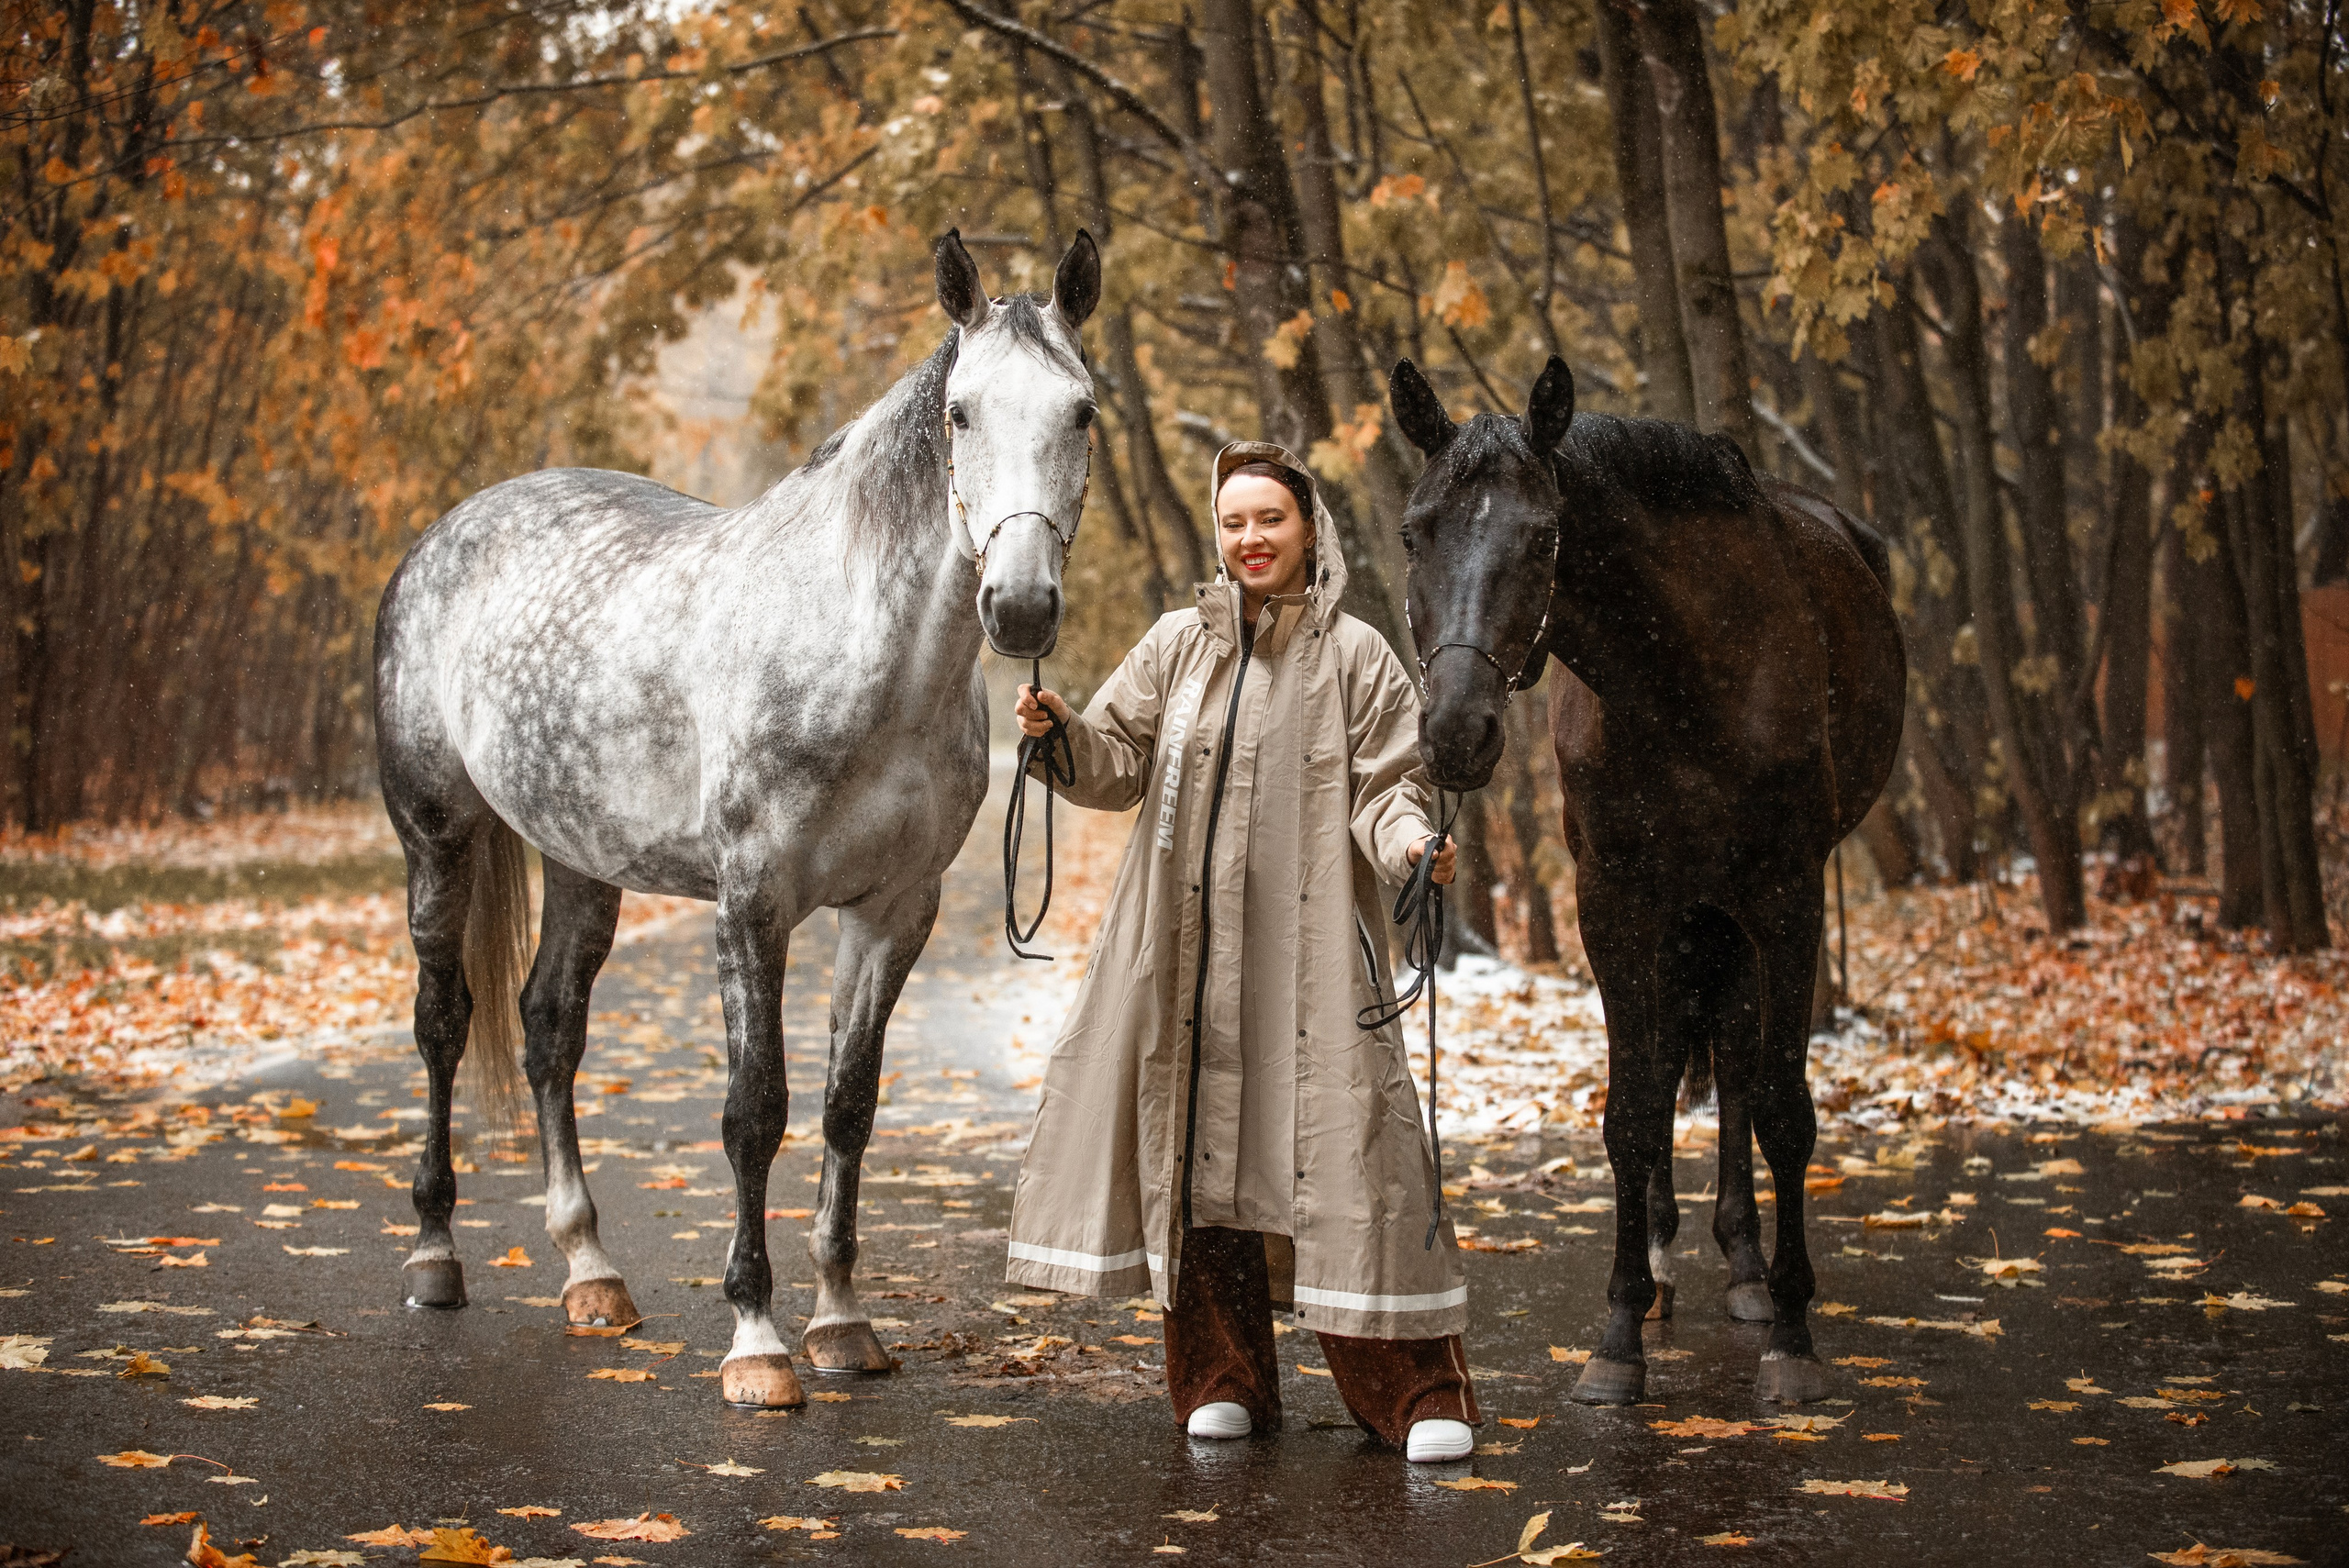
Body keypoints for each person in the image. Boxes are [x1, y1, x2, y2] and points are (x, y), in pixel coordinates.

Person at [1004, 439, 1480, 1463]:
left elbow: (1389, 789)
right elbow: (1117, 759)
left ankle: (1412, 1389)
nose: (1250, 538)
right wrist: (1060, 733)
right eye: (1233, 521)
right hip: (1183, 955)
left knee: (1350, 1153)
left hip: (1307, 956)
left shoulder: (1357, 655)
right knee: (1200, 1154)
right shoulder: (1179, 644)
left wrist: (1412, 847)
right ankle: (1220, 1377)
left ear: (1310, 528)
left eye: (1269, 518)